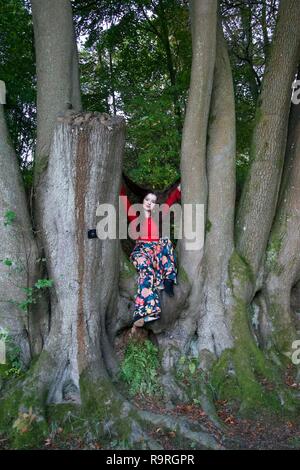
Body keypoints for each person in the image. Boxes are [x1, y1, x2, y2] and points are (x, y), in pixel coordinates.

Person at [120, 182, 181, 334]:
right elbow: (124, 200)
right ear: (143, 202)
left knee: (165, 242)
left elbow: (169, 203)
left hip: (155, 251)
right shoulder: (135, 215)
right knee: (146, 272)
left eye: (153, 202)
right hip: (142, 250)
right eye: (148, 200)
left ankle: (168, 279)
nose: (150, 203)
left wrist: (178, 190)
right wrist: (120, 185)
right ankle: (145, 312)